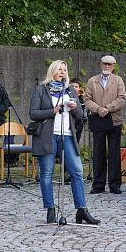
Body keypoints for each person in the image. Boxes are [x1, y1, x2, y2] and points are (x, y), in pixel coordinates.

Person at [29, 60, 99, 225]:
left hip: (67, 135)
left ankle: (82, 209)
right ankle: (50, 209)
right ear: (52, 71)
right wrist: (52, 111)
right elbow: (33, 113)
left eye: (65, 70)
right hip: (48, 136)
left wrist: (74, 107)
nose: (63, 72)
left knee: (77, 171)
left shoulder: (70, 91)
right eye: (60, 69)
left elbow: (81, 115)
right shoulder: (41, 89)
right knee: (47, 173)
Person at [85, 56, 126, 195]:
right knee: (98, 152)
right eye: (105, 64)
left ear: (114, 66)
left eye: (110, 64)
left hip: (114, 119)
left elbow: (122, 98)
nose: (107, 66)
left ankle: (115, 184)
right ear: (100, 64)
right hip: (98, 119)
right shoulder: (92, 81)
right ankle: (98, 184)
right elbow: (87, 99)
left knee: (114, 152)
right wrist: (98, 109)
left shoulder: (118, 80)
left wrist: (108, 108)